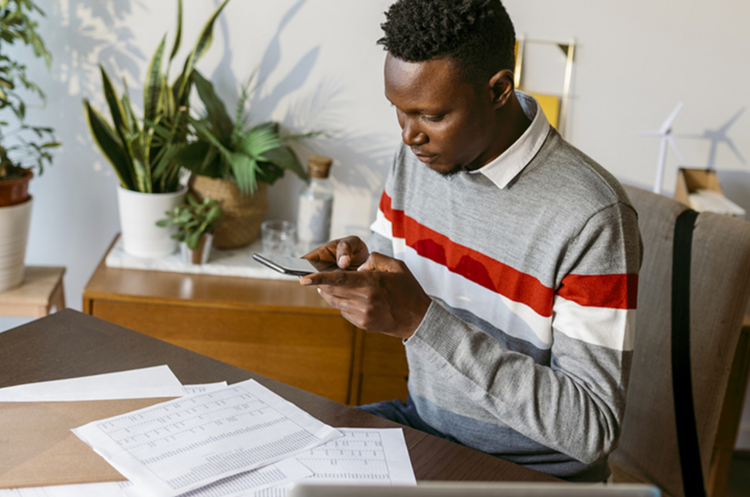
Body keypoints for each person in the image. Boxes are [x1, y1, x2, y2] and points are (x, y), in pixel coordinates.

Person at [300, 0, 642, 482]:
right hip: (427, 427)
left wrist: (421, 320)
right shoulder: (420, 158)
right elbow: (394, 283)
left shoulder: (591, 217)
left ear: (499, 89)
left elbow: (590, 428)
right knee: (281, 467)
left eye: (430, 115)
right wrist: (358, 273)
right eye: (398, 112)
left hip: (533, 473)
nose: (408, 135)